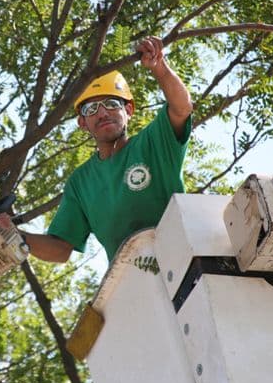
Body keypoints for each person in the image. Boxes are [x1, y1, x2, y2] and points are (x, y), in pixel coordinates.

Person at [22, 36, 193, 263]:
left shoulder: (154, 143)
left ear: (129, 109)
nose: (102, 114)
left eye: (112, 104)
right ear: (82, 123)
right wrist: (15, 236)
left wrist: (159, 67)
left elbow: (182, 108)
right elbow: (60, 249)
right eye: (92, 108)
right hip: (133, 285)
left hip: (186, 261)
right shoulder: (81, 183)